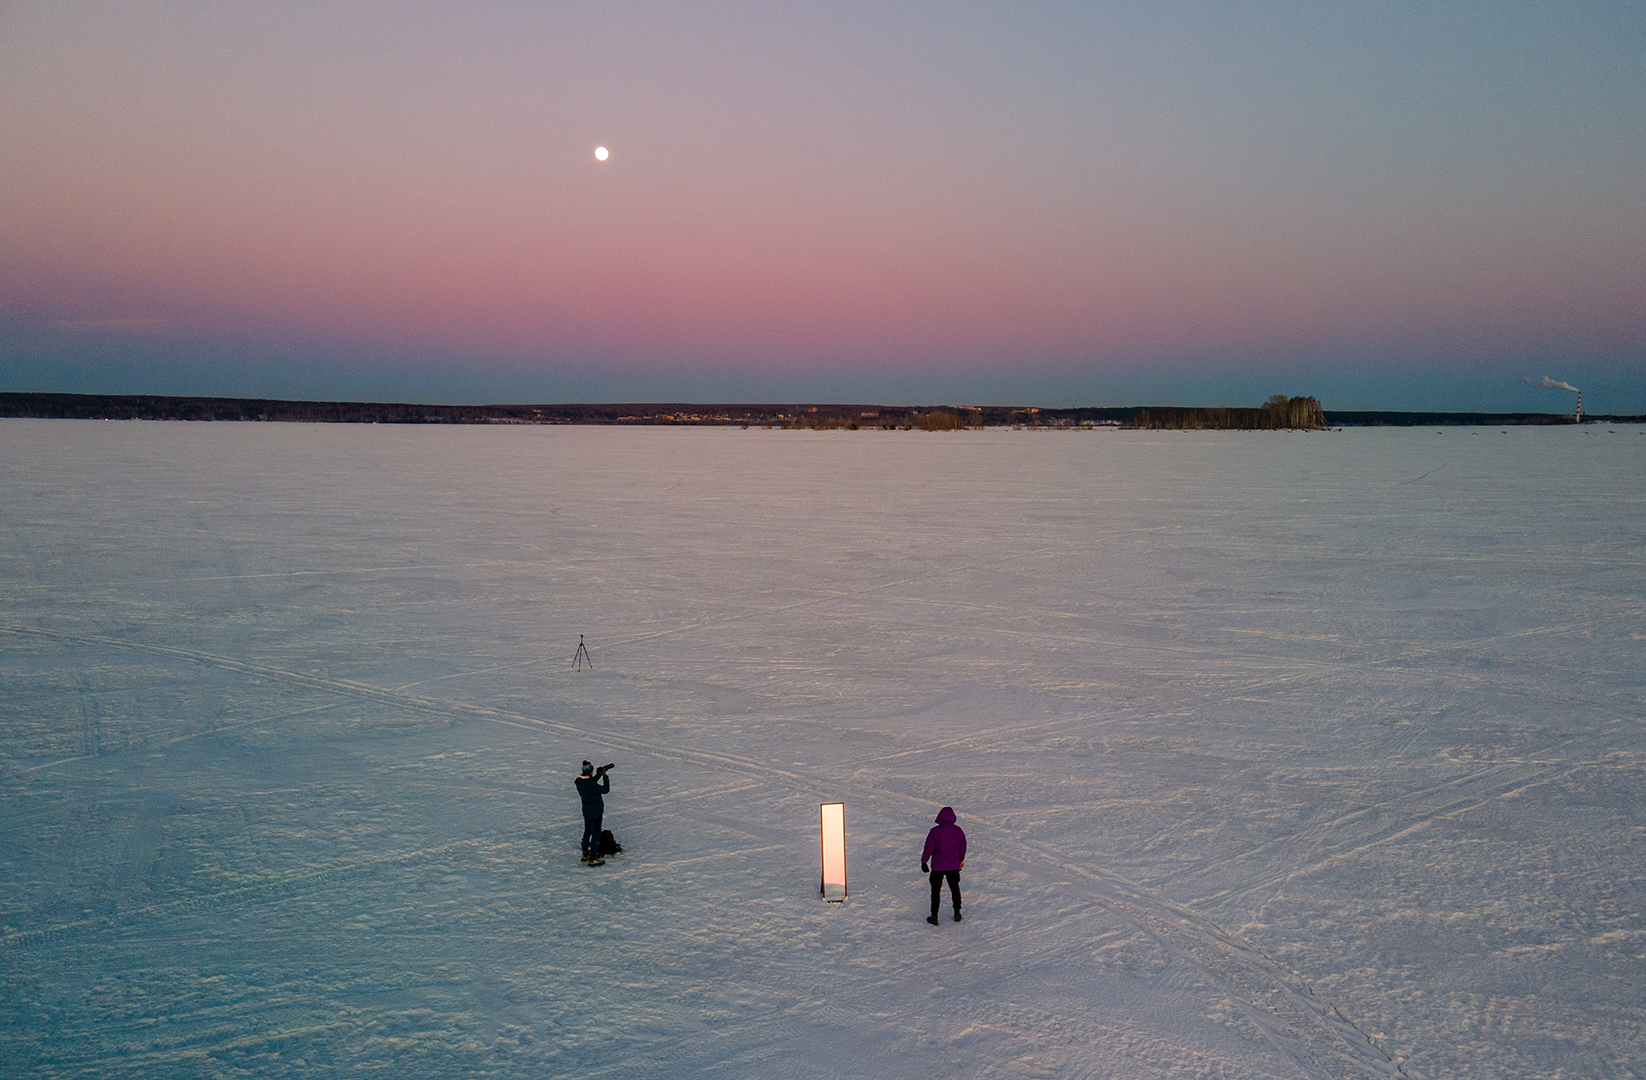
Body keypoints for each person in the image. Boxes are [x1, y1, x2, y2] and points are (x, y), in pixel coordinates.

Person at [921, 806, 966, 924]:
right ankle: (957, 912)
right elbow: (963, 847)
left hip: (937, 866)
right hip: (953, 866)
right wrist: (961, 859)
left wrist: (924, 861)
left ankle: (934, 916)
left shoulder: (935, 831)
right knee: (955, 889)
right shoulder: (958, 831)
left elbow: (928, 847)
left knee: (935, 891)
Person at [575, 761, 611, 865]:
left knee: (587, 831)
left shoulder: (579, 782)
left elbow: (590, 782)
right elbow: (605, 789)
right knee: (596, 834)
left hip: (587, 811)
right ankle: (593, 858)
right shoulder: (591, 785)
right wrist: (604, 776)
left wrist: (598, 775)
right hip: (596, 811)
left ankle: (585, 853)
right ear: (590, 772)